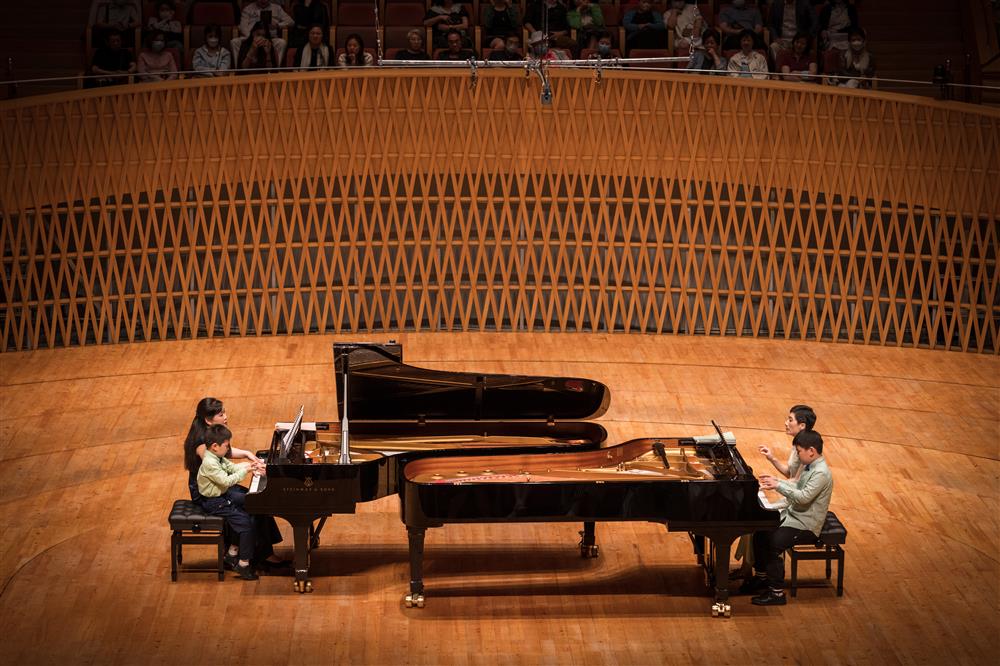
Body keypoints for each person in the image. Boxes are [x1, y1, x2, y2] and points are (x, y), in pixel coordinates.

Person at [745, 430, 833, 605]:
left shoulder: (821, 473)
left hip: (806, 524)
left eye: (799, 451)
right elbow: (797, 486)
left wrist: (778, 486)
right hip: (793, 515)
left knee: (774, 543)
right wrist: (776, 481)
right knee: (761, 531)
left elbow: (803, 497)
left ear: (811, 451)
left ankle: (777, 593)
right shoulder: (810, 466)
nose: (798, 456)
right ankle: (762, 577)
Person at [197, 425, 265, 580]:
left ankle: (232, 553)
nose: (228, 448)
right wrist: (246, 470)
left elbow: (233, 467)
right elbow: (227, 480)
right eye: (226, 445)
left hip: (222, 496)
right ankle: (243, 564)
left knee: (251, 506)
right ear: (215, 446)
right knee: (245, 524)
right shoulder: (210, 463)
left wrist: (252, 465)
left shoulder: (217, 456)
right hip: (214, 502)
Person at [757, 404, 816, 479]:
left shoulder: (806, 450)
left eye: (790, 420)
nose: (786, 423)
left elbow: (797, 483)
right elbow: (789, 474)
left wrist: (775, 481)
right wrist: (772, 458)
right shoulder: (798, 443)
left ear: (802, 426)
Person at [234, 0, 293, 66]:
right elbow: (243, 27)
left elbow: (291, 22)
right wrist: (251, 38)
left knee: (282, 42)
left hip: (271, 38)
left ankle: (276, 68)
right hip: (251, 37)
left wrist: (277, 25)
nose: (263, 1)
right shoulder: (248, 9)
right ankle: (238, 68)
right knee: (234, 42)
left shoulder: (277, 8)